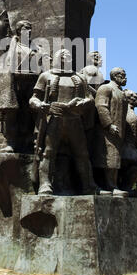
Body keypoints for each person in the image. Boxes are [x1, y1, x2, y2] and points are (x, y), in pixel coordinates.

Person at [29, 49, 99, 195]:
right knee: (48, 152)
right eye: (62, 55)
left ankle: (88, 185)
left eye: (68, 55)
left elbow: (90, 99)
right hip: (54, 117)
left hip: (74, 119)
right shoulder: (46, 76)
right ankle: (45, 185)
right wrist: (39, 104)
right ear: (56, 58)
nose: (66, 57)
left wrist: (83, 102)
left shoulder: (79, 77)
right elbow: (33, 98)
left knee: (82, 153)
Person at [0, 20, 42, 153]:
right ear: (19, 30)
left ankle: (27, 141)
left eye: (30, 28)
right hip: (15, 82)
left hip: (32, 82)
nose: (29, 30)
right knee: (12, 113)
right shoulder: (11, 46)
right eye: (26, 28)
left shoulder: (36, 48)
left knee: (28, 113)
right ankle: (11, 142)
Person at [94, 67, 129, 196]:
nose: (125, 78)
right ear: (115, 76)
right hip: (107, 131)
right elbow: (101, 106)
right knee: (109, 159)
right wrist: (108, 124)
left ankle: (113, 185)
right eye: (123, 75)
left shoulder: (121, 92)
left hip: (119, 131)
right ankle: (109, 186)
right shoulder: (106, 88)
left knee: (115, 159)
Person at [118, 90, 137, 196]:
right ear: (128, 99)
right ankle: (125, 187)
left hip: (132, 146)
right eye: (135, 98)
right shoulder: (123, 110)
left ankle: (126, 187)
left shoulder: (131, 111)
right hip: (124, 146)